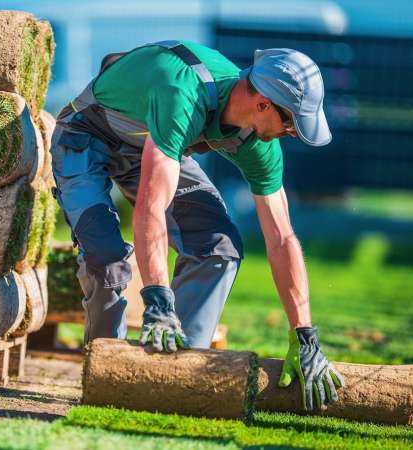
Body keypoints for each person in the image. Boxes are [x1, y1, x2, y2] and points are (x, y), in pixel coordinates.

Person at [49, 41, 344, 411]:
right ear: (263, 103)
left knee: (218, 248)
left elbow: (282, 237)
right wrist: (156, 299)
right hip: (85, 137)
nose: (291, 133)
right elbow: (151, 208)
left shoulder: (259, 143)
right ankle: (108, 379)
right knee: (106, 260)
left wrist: (305, 336)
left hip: (154, 146)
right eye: (290, 122)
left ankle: (170, 378)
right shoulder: (182, 93)